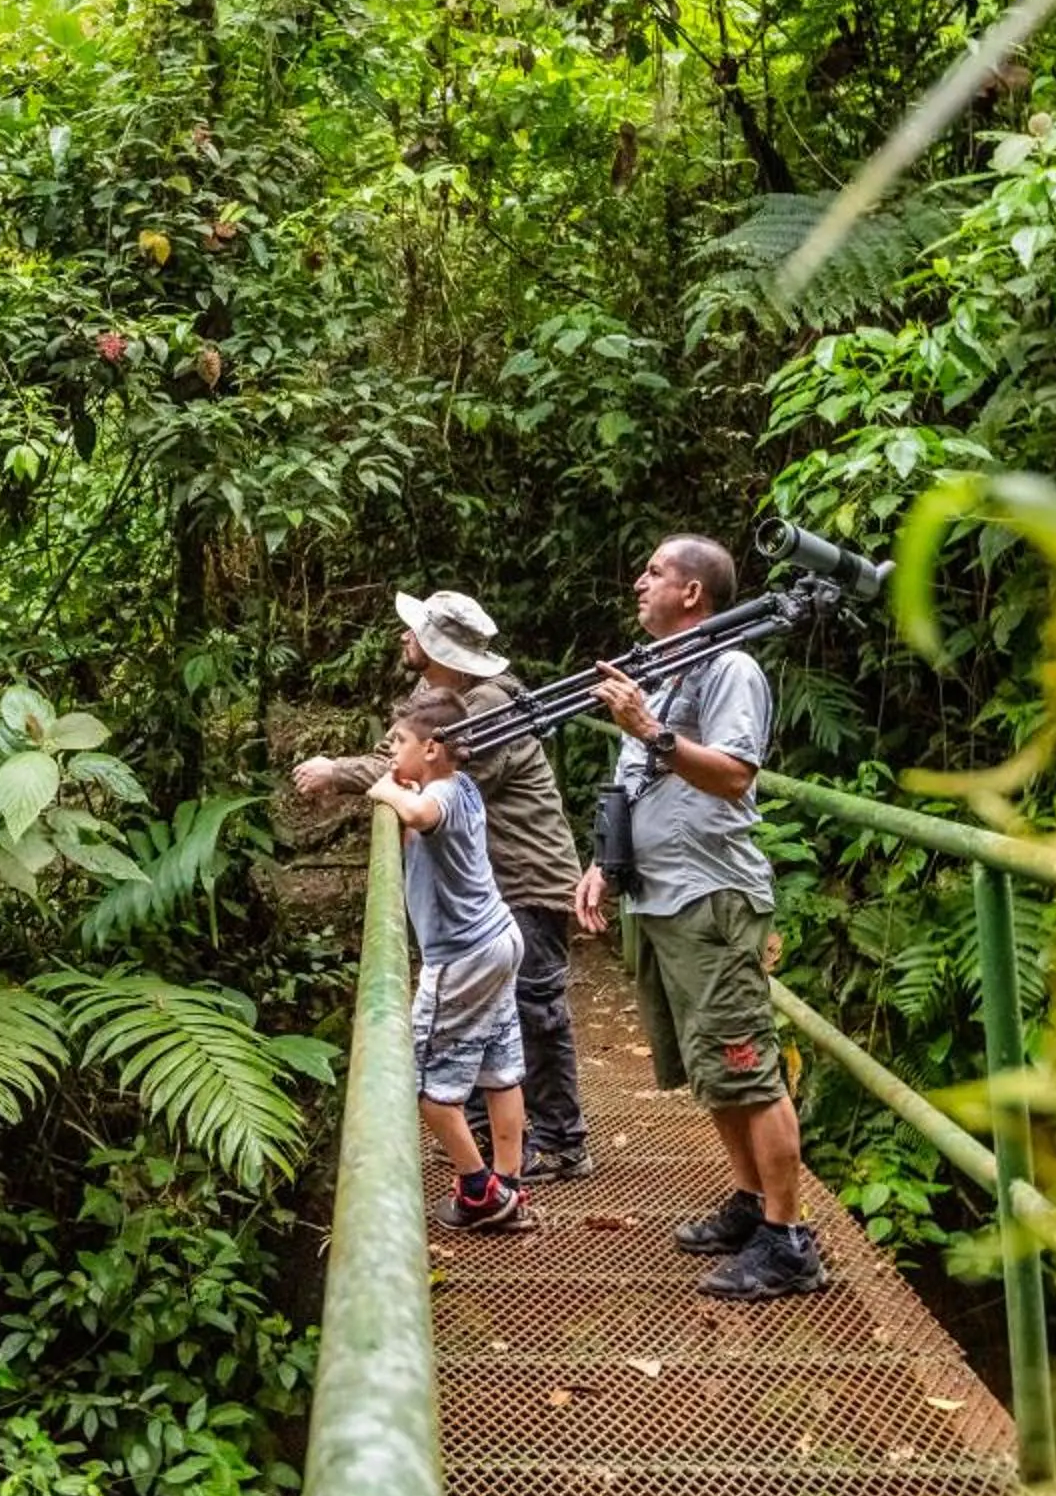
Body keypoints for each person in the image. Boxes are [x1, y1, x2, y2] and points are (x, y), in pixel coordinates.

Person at [574, 534, 826, 1300]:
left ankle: (791, 1242)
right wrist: (604, 865)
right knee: (712, 1070)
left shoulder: (731, 668)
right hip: (658, 897)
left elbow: (736, 777)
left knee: (746, 1067)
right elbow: (638, 785)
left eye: (653, 571)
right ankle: (753, 1204)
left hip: (712, 897)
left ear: (692, 593)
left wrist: (651, 728)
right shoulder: (657, 671)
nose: (637, 580)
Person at [294, 591, 593, 1181]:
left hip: (525, 879)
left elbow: (414, 774)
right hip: (491, 887)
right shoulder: (449, 702)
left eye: (413, 632)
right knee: (502, 1013)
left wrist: (340, 774)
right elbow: (400, 756)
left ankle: (560, 1142)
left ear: (436, 647)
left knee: (534, 1011)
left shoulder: (486, 713)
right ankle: (491, 1137)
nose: (403, 638)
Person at [366, 689, 532, 1231]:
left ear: (433, 748)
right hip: (498, 939)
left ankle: (480, 1189)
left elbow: (416, 811)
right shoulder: (463, 786)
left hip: (463, 956)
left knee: (420, 1081)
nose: (391, 754)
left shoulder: (440, 795)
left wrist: (387, 789)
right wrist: (402, 782)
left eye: (399, 743)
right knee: (497, 1069)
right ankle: (508, 1182)